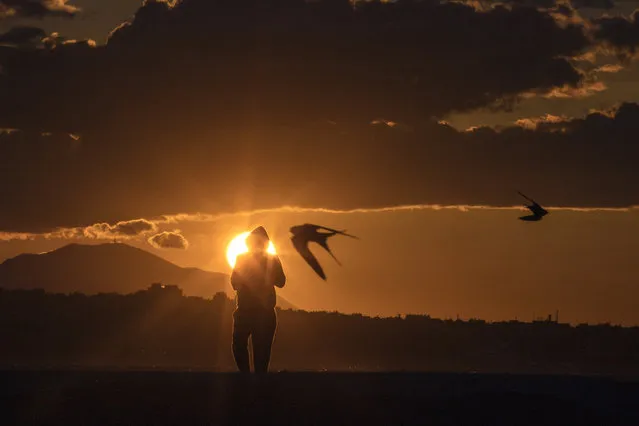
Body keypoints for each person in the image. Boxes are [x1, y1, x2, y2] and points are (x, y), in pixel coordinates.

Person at [230, 226, 286, 373]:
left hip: (260, 312)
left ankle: (252, 381)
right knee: (244, 346)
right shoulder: (242, 259)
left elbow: (281, 282)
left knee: (260, 351)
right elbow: (234, 283)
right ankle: (247, 378)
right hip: (249, 311)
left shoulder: (271, 260)